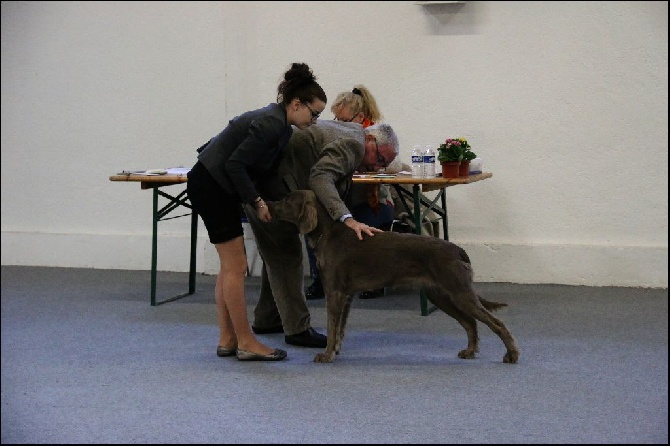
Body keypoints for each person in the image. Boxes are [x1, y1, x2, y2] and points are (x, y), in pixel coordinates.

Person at [186, 62, 327, 361]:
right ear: (296, 104)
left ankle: (227, 338)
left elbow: (260, 171)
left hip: (212, 185)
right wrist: (258, 203)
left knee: (228, 267)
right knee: (237, 268)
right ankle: (246, 342)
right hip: (212, 186)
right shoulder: (271, 123)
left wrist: (271, 202)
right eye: (314, 114)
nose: (315, 121)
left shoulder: (281, 126)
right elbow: (235, 165)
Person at [243, 120, 400, 347]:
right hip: (267, 189)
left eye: (382, 165)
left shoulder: (353, 134)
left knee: (275, 252)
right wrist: (347, 218)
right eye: (380, 160)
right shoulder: (354, 145)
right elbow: (321, 177)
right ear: (371, 141)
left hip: (267, 181)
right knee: (285, 254)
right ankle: (297, 328)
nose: (376, 168)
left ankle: (267, 318)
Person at [305, 85, 392, 300]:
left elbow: (396, 164)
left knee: (365, 223)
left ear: (360, 118)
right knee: (314, 223)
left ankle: (371, 279)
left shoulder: (375, 136)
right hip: (342, 202)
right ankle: (321, 278)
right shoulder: (340, 141)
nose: (338, 126)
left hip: (370, 202)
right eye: (335, 120)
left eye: (343, 121)